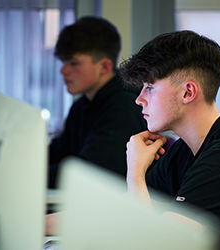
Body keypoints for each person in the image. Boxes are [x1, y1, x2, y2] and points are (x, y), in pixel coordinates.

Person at [119, 30, 220, 250]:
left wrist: (135, 173)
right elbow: (118, 210)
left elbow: (161, 245)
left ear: (188, 92)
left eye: (150, 88)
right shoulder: (184, 149)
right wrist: (39, 223)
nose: (139, 99)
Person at [48, 16, 147, 188]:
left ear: (105, 67)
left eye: (73, 63)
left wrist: (27, 176)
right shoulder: (82, 104)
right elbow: (57, 152)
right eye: (64, 62)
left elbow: (90, 174)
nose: (63, 70)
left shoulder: (123, 108)